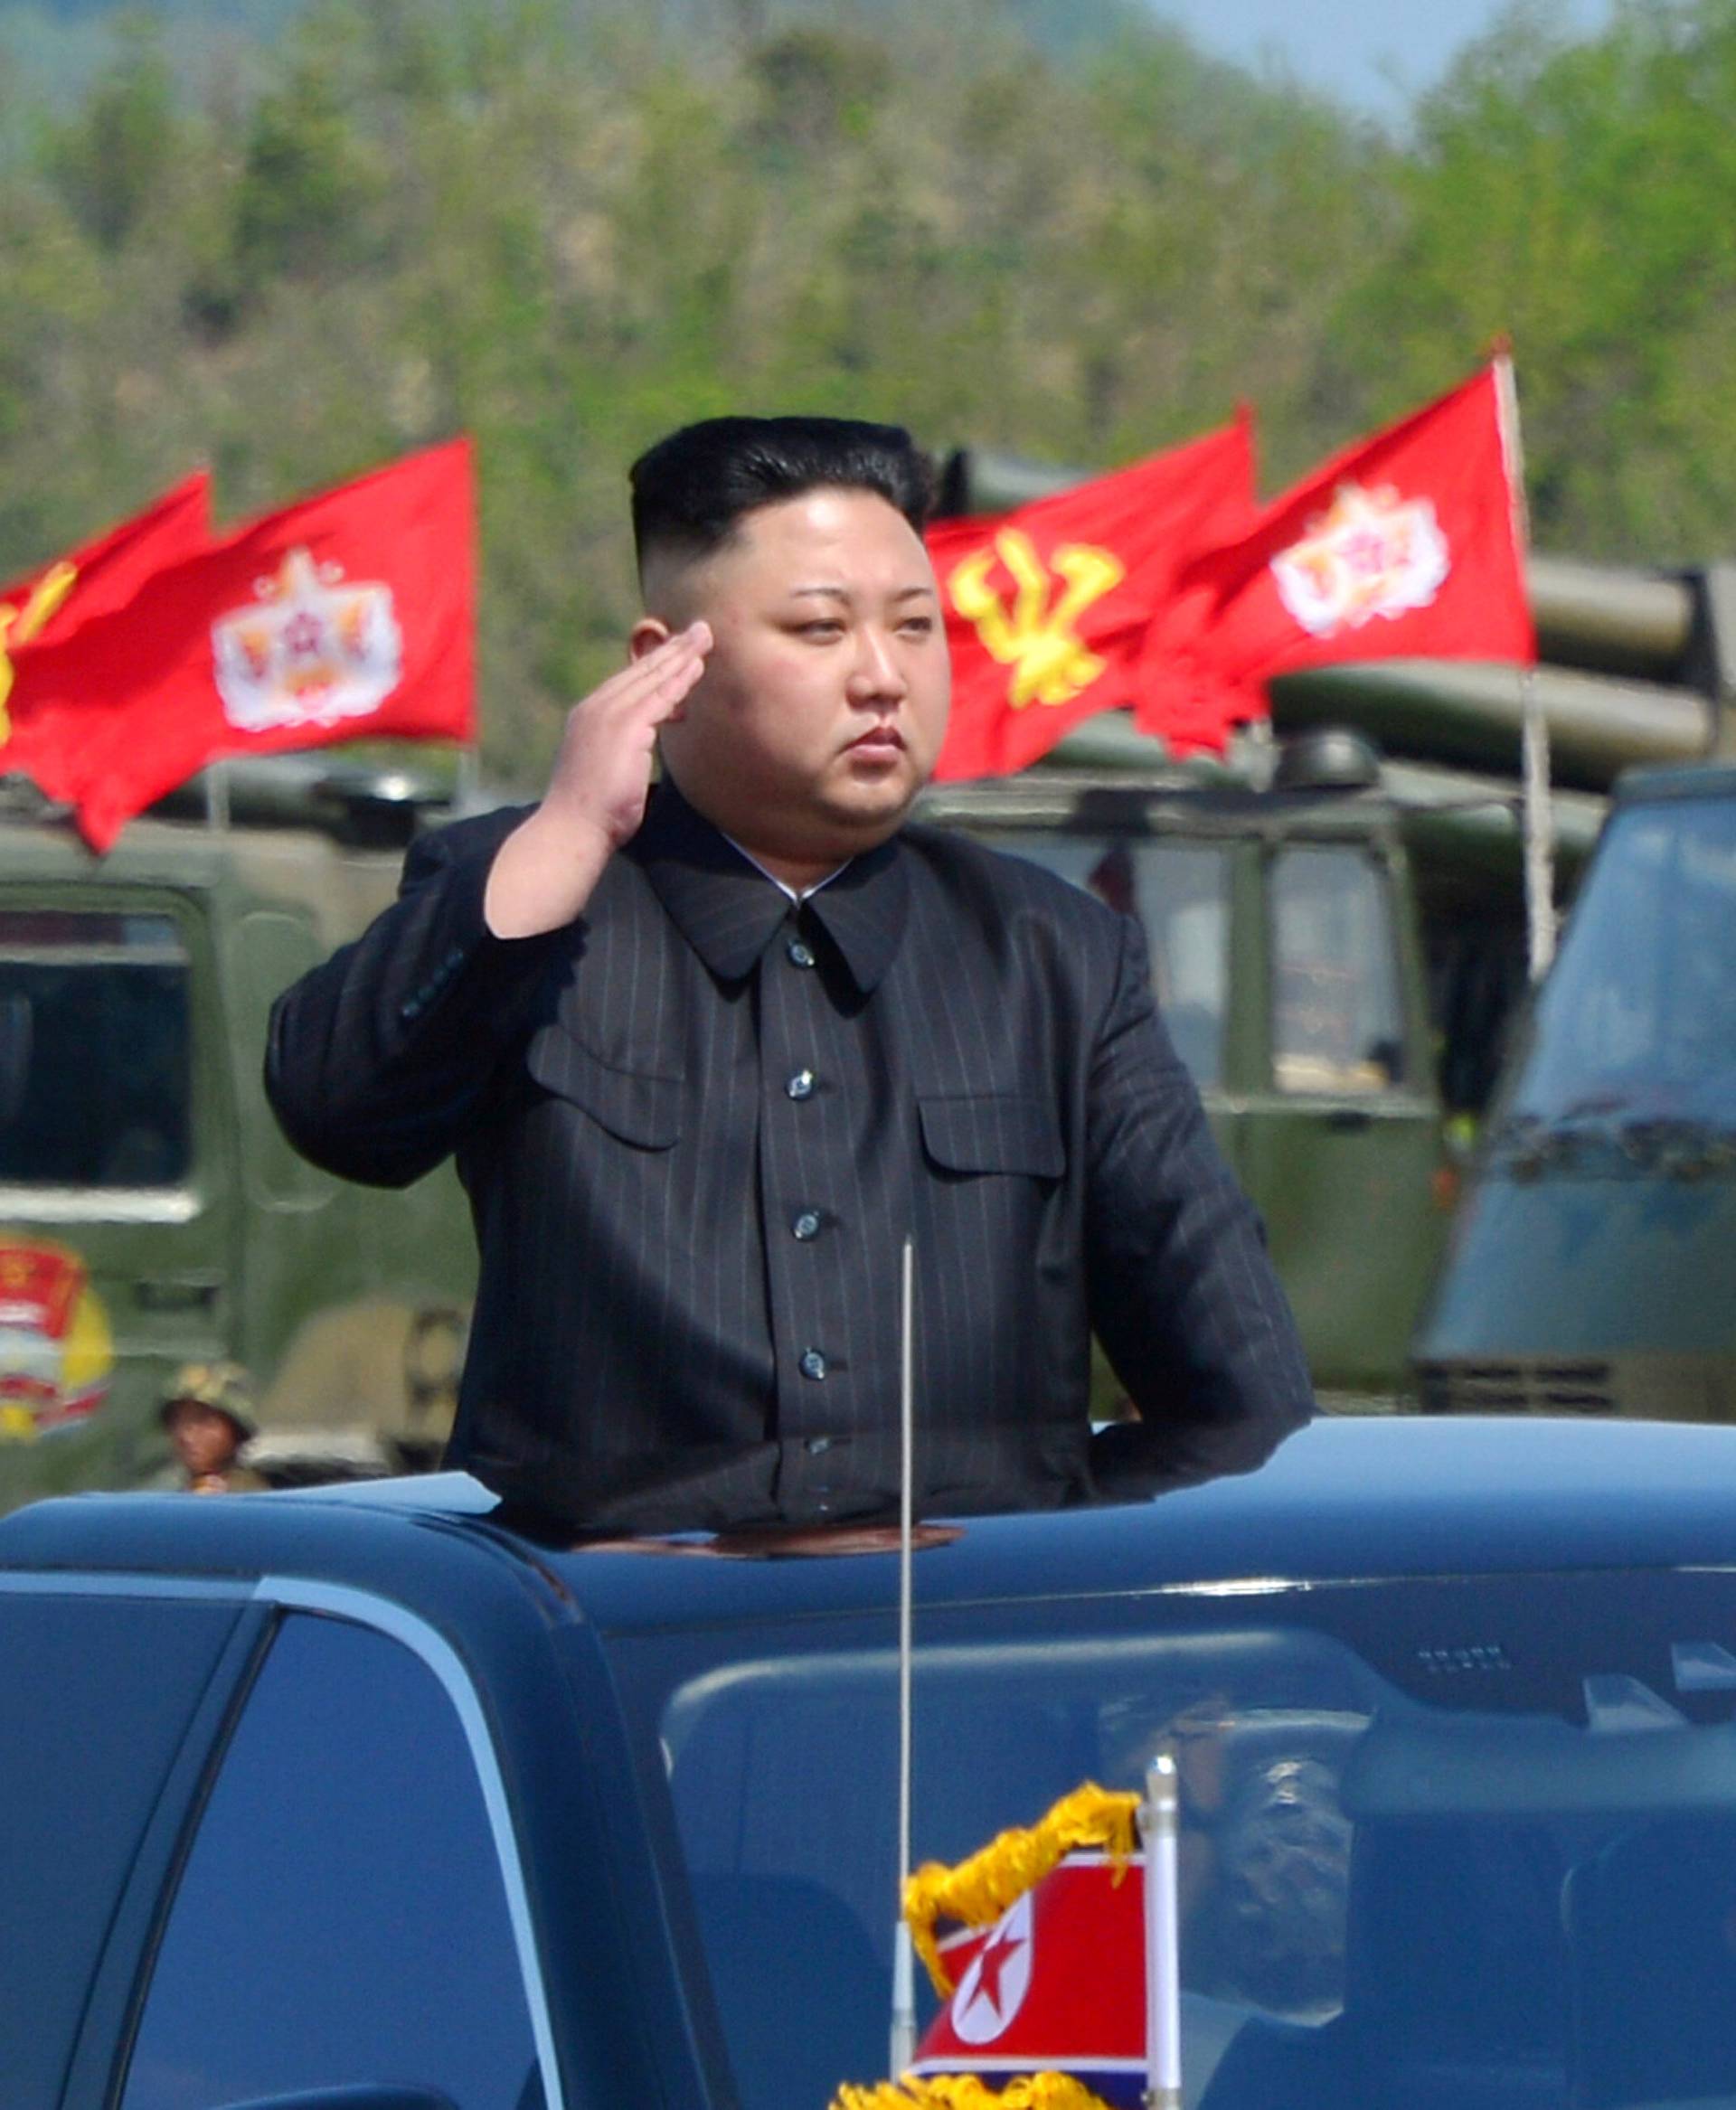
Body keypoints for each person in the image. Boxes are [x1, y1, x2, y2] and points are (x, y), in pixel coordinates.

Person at [265, 415, 1311, 1533]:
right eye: (820, 628)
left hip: (961, 1651)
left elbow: (1246, 1404)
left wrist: (1040, 1546)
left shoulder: (1055, 958)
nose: (883, 678)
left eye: (916, 628)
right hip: (622, 1644)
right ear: (664, 664)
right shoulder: (537, 898)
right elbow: (340, 1112)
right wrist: (568, 834)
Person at [160, 1361, 267, 1494]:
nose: (186, 1437)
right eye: (177, 1421)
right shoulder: (166, 1492)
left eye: (202, 1420)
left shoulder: (252, 1498)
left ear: (235, 1429)